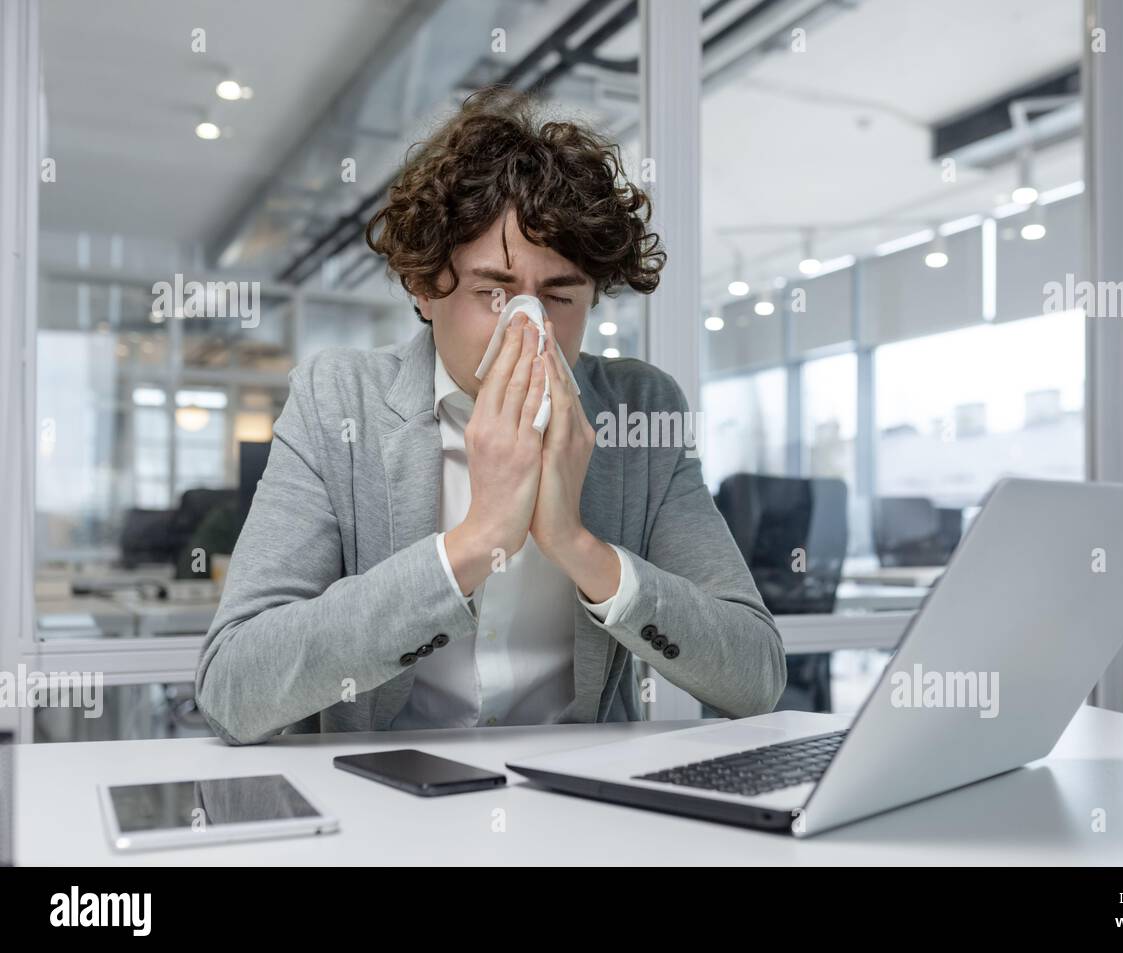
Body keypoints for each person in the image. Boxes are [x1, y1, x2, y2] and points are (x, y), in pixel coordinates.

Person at [195, 88, 786, 745]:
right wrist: (474, 543)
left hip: (579, 805)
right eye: (492, 292)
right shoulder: (340, 400)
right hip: (385, 803)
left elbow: (755, 676)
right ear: (424, 287)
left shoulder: (639, 410)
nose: (527, 329)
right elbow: (232, 689)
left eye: (560, 296)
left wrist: (579, 546)